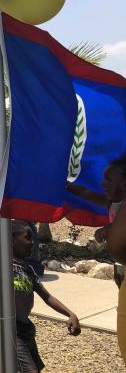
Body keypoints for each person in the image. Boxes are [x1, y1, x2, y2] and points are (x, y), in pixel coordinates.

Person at [0, 221, 81, 372]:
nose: (32, 242)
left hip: (26, 328)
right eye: (28, 238)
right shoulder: (0, 265)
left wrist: (70, 314)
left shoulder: (28, 269)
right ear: (12, 240)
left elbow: (47, 297)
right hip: (10, 329)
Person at [83, 154, 126, 363]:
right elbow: (88, 194)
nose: (103, 183)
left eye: (109, 179)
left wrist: (109, 229)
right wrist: (67, 187)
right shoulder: (112, 203)